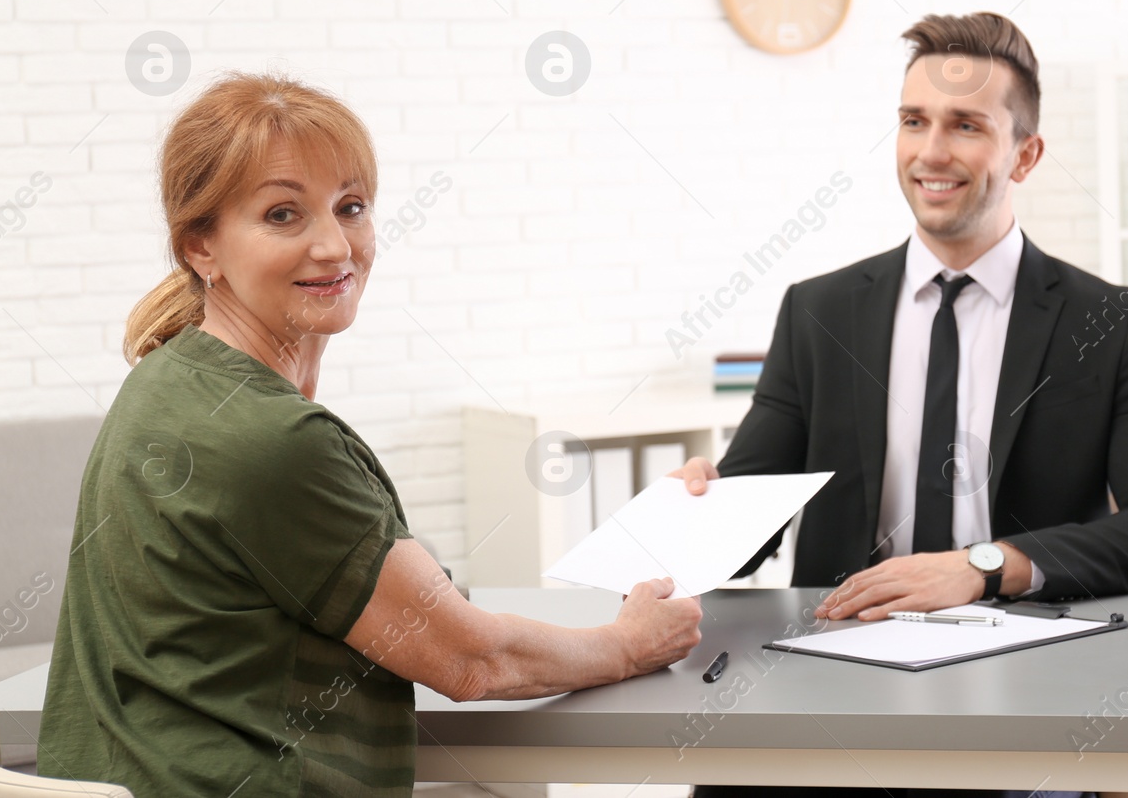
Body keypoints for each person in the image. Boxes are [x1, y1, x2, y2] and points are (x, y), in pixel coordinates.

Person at [38, 73, 702, 798]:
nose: (334, 245)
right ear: (202, 245)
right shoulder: (271, 439)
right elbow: (470, 661)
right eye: (284, 214)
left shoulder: (164, 379)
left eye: (350, 207)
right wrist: (625, 643)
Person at [674, 12, 1128, 798]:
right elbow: (745, 522)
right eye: (913, 122)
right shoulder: (819, 311)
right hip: (832, 680)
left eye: (965, 125)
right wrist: (700, 508)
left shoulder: (1109, 322)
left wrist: (984, 567)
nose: (931, 152)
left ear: (1024, 153)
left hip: (1024, 690)